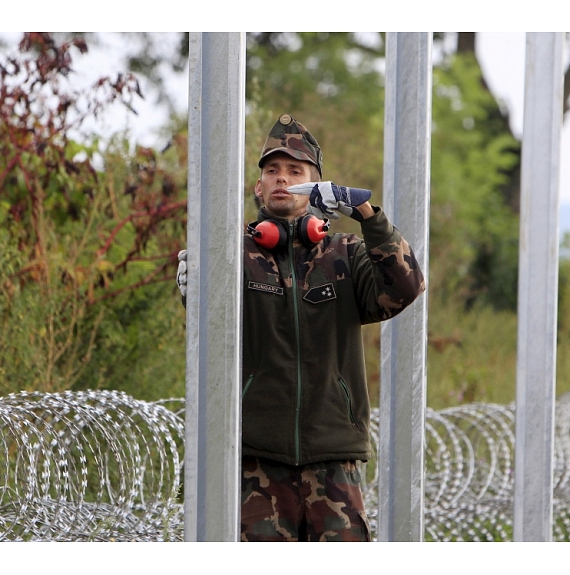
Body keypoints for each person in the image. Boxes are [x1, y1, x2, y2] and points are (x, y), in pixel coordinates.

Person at [177, 113, 425, 541]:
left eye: (295, 171)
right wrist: (194, 291)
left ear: (315, 189)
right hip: (254, 459)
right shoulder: (232, 252)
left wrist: (368, 216)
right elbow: (210, 325)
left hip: (333, 460)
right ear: (258, 187)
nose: (281, 178)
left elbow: (405, 286)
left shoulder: (345, 254)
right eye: (272, 170)